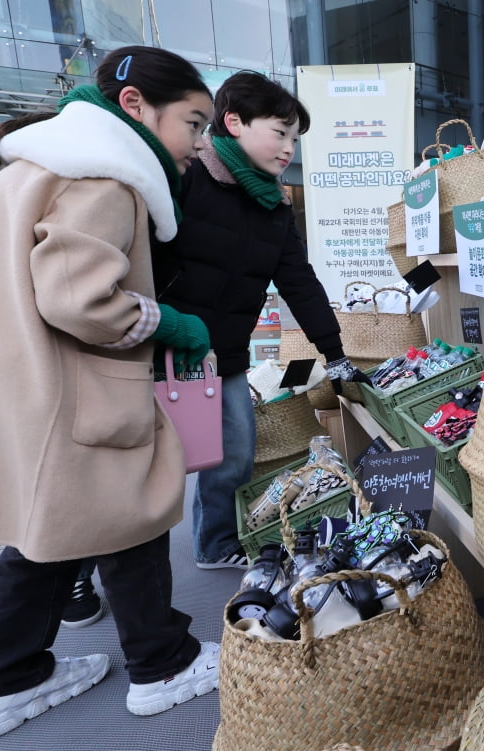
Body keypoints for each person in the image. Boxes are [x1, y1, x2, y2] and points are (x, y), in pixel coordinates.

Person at [0, 46, 221, 740]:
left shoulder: (35, 165)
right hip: (71, 390)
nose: (199, 142)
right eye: (193, 122)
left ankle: (6, 678)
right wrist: (168, 322)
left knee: (49, 529)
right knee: (128, 519)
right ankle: (162, 665)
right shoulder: (107, 172)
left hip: (21, 388)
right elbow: (80, 296)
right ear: (136, 107)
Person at [152, 70, 344, 570]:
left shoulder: (274, 208)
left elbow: (299, 282)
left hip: (224, 353)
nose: (288, 149)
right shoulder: (187, 174)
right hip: (152, 343)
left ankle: (215, 544)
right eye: (280, 132)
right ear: (233, 122)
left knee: (235, 451)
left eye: (295, 139)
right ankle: (79, 571)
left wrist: (336, 355)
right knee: (130, 464)